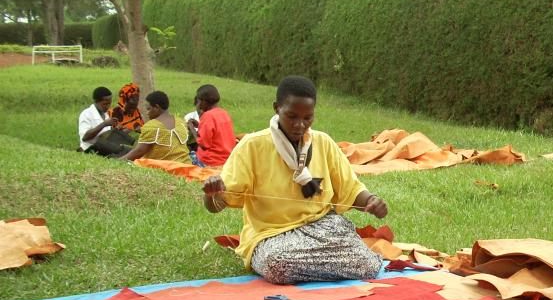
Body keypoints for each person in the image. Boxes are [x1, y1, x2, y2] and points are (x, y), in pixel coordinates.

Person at [202, 75, 388, 284]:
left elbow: (351, 190)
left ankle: (316, 266)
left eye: (307, 118)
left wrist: (371, 200)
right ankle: (334, 264)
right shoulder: (253, 145)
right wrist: (212, 195)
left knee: (368, 265)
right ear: (276, 108)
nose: (300, 125)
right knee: (277, 265)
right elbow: (216, 205)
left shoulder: (323, 142)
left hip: (322, 226)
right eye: (292, 116)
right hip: (271, 235)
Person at [120, 90, 192, 163]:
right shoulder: (181, 122)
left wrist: (119, 161)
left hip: (165, 167)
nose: (147, 113)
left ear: (157, 107)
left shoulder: (152, 126)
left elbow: (139, 151)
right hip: (186, 165)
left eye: (148, 109)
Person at [192, 84, 237, 167]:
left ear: (204, 101)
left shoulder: (207, 116)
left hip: (211, 161)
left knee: (189, 156)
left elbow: (204, 145)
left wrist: (192, 129)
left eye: (198, 101)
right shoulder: (224, 113)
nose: (198, 105)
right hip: (226, 159)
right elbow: (217, 132)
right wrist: (199, 125)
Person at [78, 86, 117, 152]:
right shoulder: (86, 114)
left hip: (103, 148)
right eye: (105, 104)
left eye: (109, 104)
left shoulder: (106, 115)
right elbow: (85, 137)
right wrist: (104, 124)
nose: (108, 107)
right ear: (96, 101)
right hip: (89, 149)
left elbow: (105, 136)